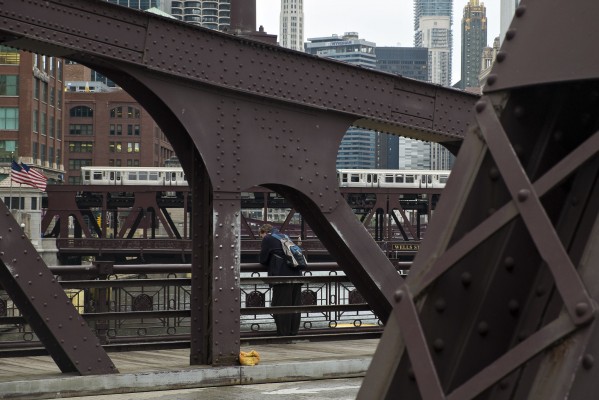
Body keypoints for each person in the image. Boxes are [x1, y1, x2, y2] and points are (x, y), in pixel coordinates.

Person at [259, 224, 303, 336]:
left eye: (261, 236)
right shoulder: (285, 236)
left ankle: (283, 333)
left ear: (264, 232)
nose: (261, 238)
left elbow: (262, 259)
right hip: (296, 274)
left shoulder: (268, 238)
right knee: (294, 305)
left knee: (280, 304)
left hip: (281, 275)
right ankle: (293, 332)